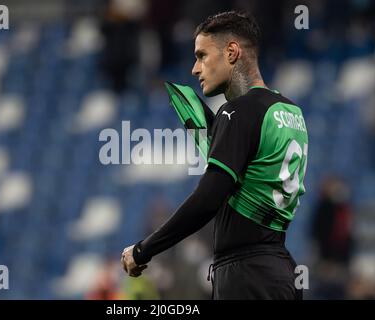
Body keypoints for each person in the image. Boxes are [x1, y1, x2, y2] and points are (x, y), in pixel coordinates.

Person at [121, 10, 308, 300]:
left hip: (246, 276)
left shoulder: (238, 112)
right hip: (282, 272)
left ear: (232, 52)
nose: (195, 69)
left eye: (202, 56)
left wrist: (144, 249)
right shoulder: (291, 112)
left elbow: (208, 198)